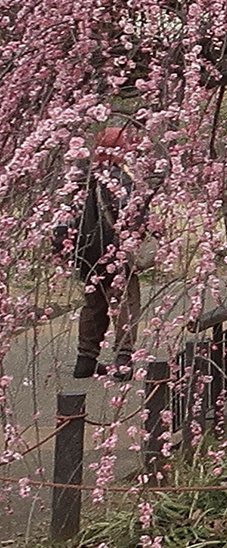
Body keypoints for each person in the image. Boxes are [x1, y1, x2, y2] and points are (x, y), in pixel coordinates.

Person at [54, 127, 143, 381]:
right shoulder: (118, 179)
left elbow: (64, 217)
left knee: (94, 304)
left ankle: (86, 359)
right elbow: (131, 215)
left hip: (85, 254)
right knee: (125, 301)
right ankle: (124, 359)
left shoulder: (80, 178)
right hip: (115, 251)